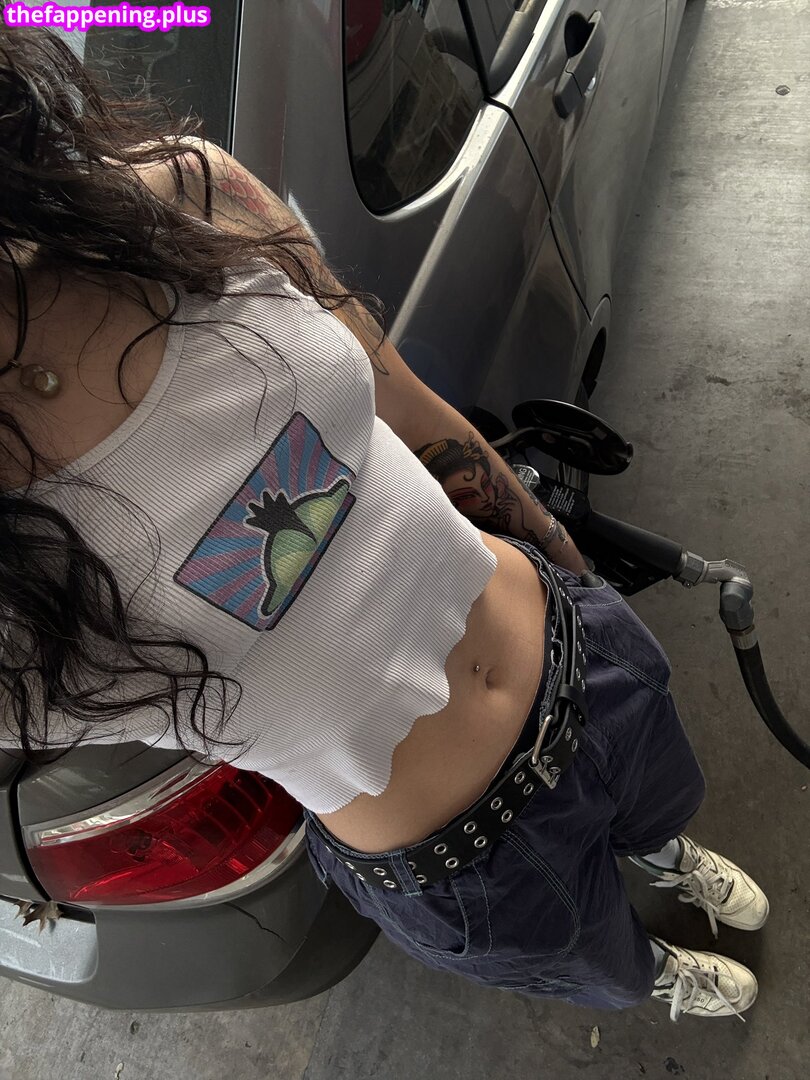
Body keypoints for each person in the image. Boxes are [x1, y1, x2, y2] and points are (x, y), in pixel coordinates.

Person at [0, 21, 768, 1022]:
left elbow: (402, 396)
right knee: (601, 963)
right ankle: (657, 969)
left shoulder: (183, 199)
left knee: (658, 802)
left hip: (585, 654)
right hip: (471, 863)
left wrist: (563, 553)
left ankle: (663, 855)